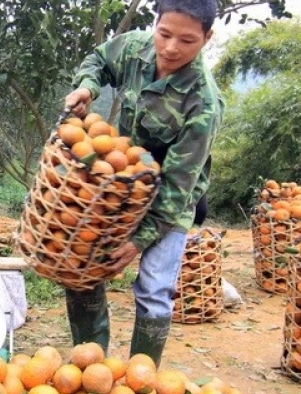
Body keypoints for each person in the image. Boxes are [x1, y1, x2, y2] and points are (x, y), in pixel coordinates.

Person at [63, 0, 224, 366]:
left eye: (186, 40)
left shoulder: (203, 104)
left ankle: (139, 382)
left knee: (154, 289)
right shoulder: (136, 48)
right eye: (165, 34)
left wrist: (138, 241)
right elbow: (99, 60)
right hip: (120, 187)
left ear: (206, 38)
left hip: (172, 200)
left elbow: (179, 187)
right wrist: (88, 87)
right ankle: (91, 369)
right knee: (83, 266)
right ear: (156, 24)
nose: (170, 48)